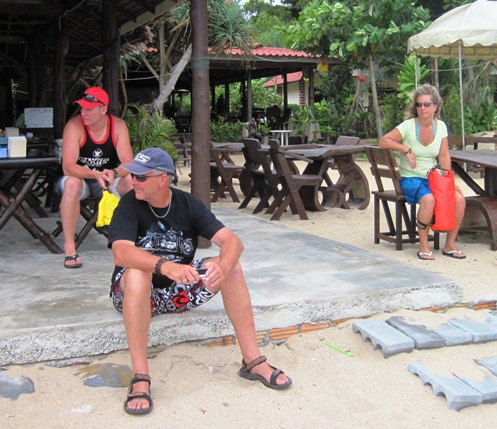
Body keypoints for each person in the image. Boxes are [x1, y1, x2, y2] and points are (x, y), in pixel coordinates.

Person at [108, 148, 292, 415]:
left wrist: (223, 266)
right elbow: (121, 252)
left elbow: (232, 242)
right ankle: (140, 376)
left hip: (177, 291)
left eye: (140, 177)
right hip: (134, 294)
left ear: (163, 179)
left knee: (232, 267)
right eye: (133, 176)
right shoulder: (129, 204)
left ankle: (253, 361)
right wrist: (165, 266)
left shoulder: (188, 204)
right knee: (137, 273)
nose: (132, 181)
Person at [379, 83, 466, 260]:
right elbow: (383, 141)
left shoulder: (441, 126)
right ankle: (423, 246)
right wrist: (405, 149)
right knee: (429, 199)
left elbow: (444, 156)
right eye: (419, 104)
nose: (422, 108)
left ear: (435, 106)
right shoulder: (408, 126)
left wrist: (448, 181)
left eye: (426, 104)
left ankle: (450, 244)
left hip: (433, 178)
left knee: (459, 199)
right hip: (411, 178)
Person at [58, 86, 133, 268]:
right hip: (81, 179)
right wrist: (92, 173)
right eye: (82, 108)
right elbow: (68, 166)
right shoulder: (74, 126)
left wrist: (114, 173)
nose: (84, 113)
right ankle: (70, 246)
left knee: (131, 181)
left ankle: (136, 237)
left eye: (89, 109)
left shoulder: (118, 126)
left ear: (103, 109)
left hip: (107, 179)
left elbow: (128, 162)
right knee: (72, 184)